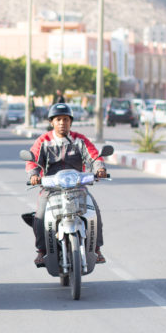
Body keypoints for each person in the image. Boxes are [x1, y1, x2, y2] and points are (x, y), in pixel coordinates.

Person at [25, 103, 107, 267]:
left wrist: (100, 168)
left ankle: (96, 249)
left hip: (78, 186)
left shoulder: (80, 140)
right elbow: (32, 160)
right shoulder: (44, 141)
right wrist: (34, 174)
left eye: (65, 119)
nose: (62, 122)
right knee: (40, 215)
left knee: (94, 211)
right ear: (52, 122)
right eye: (58, 119)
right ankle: (41, 251)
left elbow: (94, 156)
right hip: (51, 188)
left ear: (70, 122)